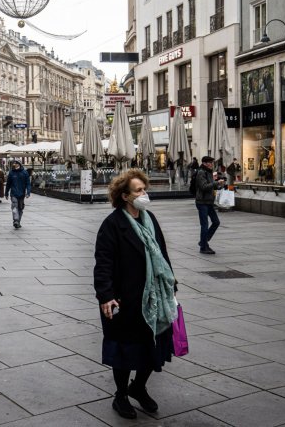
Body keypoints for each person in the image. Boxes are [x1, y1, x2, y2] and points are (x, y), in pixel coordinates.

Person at [94, 169, 178, 420]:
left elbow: (162, 254)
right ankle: (120, 395)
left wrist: (171, 286)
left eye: (145, 189)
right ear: (124, 196)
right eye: (138, 190)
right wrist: (106, 295)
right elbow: (103, 263)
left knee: (154, 345)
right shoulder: (112, 225)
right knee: (124, 350)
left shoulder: (149, 218)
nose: (144, 194)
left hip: (153, 296)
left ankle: (138, 386)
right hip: (125, 298)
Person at [195, 156, 226, 255]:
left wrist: (219, 184)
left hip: (209, 202)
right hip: (202, 202)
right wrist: (215, 183)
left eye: (212, 162)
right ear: (204, 163)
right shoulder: (201, 172)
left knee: (216, 222)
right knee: (204, 225)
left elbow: (211, 185)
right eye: (210, 162)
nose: (212, 164)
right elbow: (203, 187)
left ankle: (203, 241)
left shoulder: (209, 172)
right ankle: (203, 247)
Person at [5, 160, 31, 229]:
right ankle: (16, 220)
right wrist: (6, 193)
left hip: (22, 194)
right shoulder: (11, 173)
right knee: (14, 206)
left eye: (15, 163)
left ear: (19, 164)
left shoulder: (25, 173)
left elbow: (28, 184)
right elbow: (8, 184)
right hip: (13, 193)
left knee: (20, 208)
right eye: (14, 163)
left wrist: (28, 193)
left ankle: (18, 222)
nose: (14, 164)